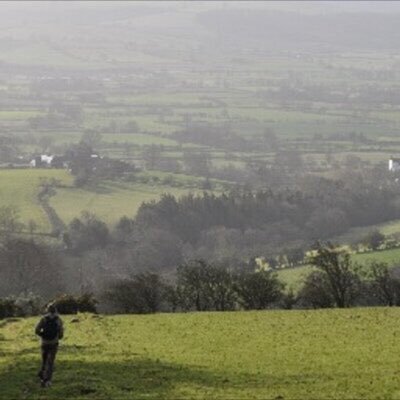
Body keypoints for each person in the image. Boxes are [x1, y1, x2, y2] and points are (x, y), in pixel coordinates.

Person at [35, 304, 64, 388]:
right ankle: (47, 379)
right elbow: (61, 333)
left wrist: (43, 335)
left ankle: (42, 374)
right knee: (50, 362)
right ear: (55, 311)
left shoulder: (43, 319)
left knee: (44, 360)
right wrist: (58, 337)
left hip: (44, 343)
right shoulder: (58, 319)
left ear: (47, 310)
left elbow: (36, 330)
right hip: (54, 343)